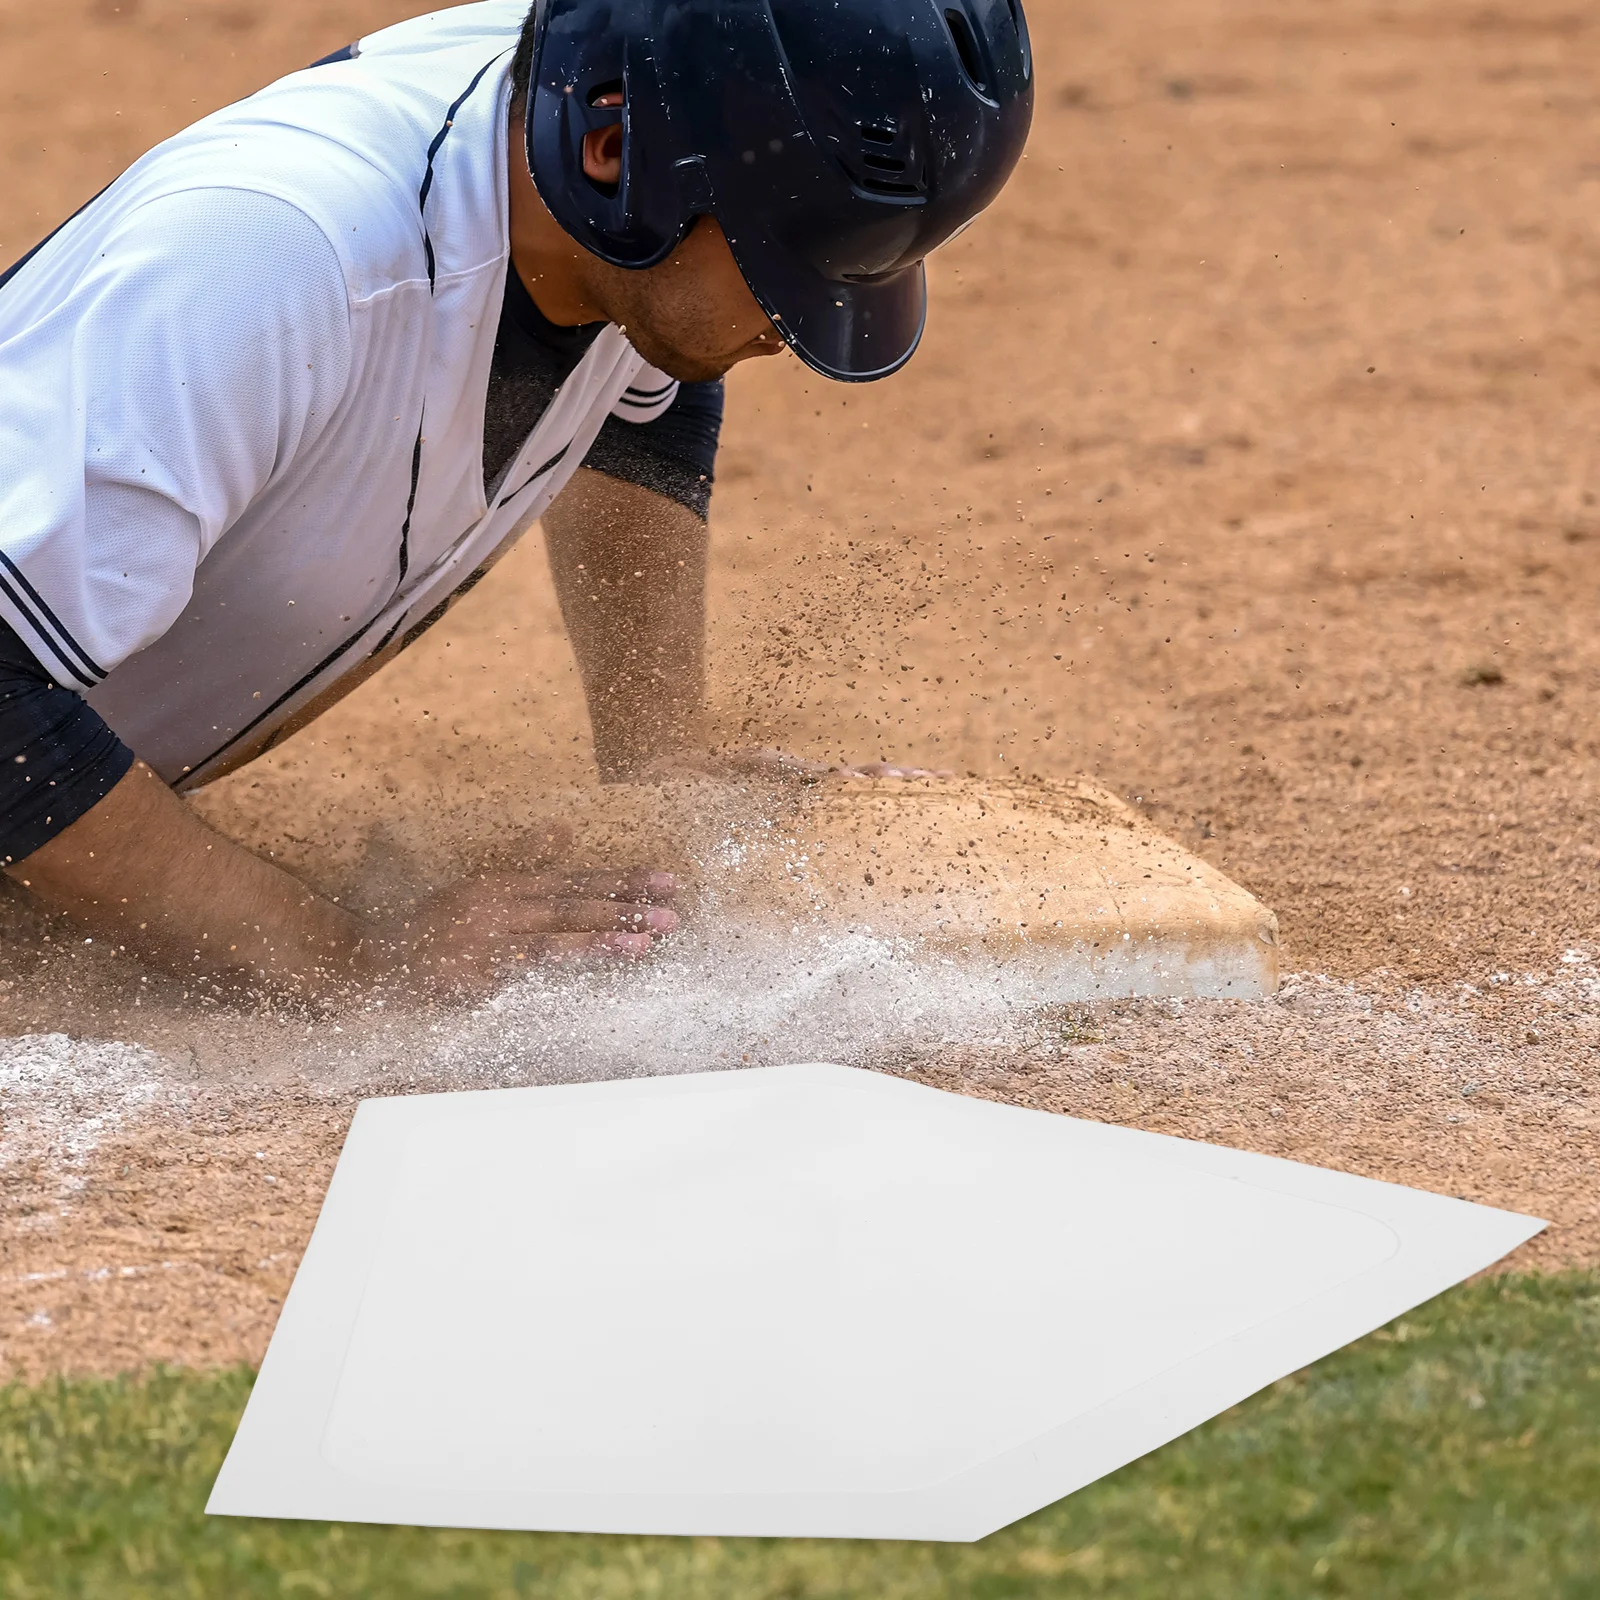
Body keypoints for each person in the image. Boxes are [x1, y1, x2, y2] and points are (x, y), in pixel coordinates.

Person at [0, 0, 1032, 998]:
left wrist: (660, 769)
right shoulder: (265, 264)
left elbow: (651, 383)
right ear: (611, 158)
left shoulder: (604, 138)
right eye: (780, 266)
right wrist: (357, 965)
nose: (791, 331)